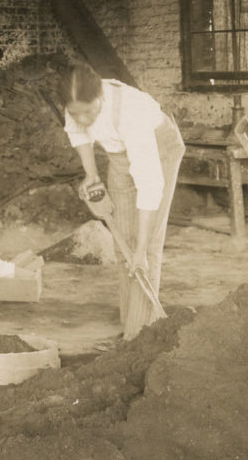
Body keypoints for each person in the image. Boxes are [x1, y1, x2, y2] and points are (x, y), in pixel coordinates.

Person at [60, 62, 185, 341]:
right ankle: (131, 324)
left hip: (159, 150)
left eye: (88, 112)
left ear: (101, 98)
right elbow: (77, 132)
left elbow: (149, 186)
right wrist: (91, 174)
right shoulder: (77, 103)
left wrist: (140, 248)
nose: (82, 119)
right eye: (75, 113)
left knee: (145, 249)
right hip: (118, 155)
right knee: (122, 244)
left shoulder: (132, 113)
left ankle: (138, 336)